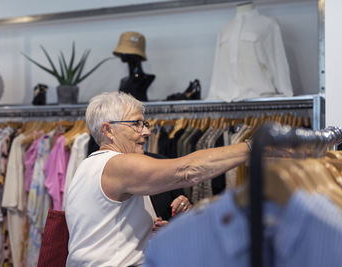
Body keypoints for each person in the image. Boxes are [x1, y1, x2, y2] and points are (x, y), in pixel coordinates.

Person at [64, 91, 250, 266]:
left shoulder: (88, 167)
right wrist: (252, 148)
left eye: (144, 124)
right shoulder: (116, 165)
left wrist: (147, 231)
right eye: (136, 124)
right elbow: (187, 170)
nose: (146, 132)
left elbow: (103, 231)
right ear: (108, 130)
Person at [113, 31, 155, 101]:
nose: (121, 54)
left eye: (124, 51)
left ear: (134, 54)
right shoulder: (124, 81)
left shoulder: (145, 79)